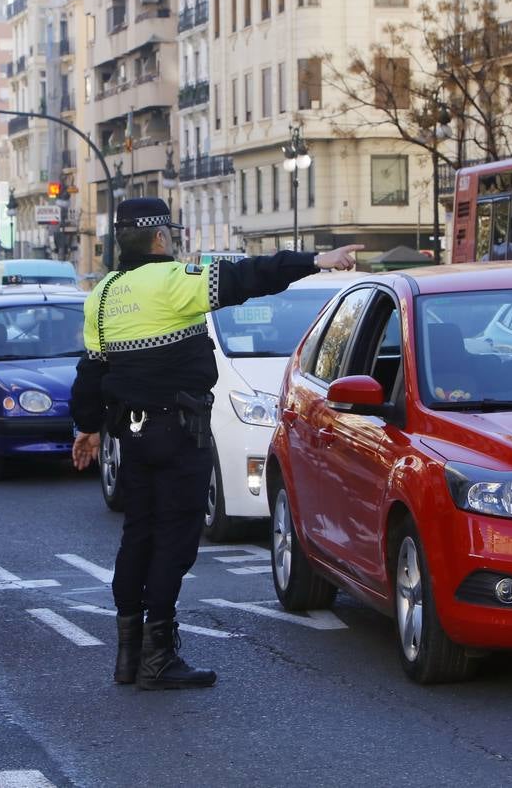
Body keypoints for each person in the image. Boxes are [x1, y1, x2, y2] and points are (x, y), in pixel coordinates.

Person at [69, 196, 361, 691]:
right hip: (179, 435)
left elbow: (91, 373)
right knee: (175, 540)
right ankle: (159, 657)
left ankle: (128, 656)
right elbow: (250, 276)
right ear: (160, 238)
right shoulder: (172, 282)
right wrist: (315, 261)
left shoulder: (103, 294)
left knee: (137, 537)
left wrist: (87, 427)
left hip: (132, 438)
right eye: (173, 235)